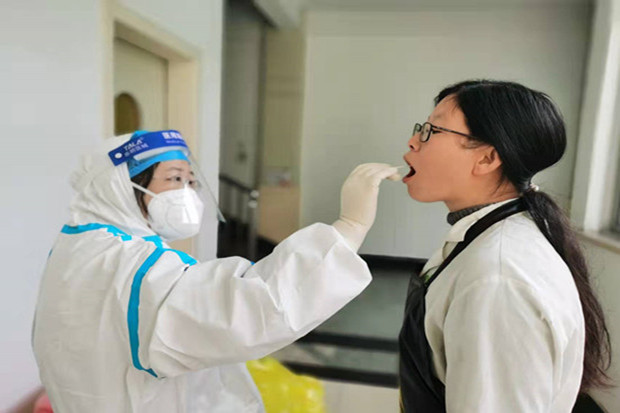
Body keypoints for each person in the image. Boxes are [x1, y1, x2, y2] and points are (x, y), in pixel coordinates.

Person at [32, 129, 399, 412]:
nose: (187, 191)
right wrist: (348, 229)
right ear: (120, 187)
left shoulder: (81, 244)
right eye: (173, 178)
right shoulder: (134, 268)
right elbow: (255, 307)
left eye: (190, 180)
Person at [398, 80, 611, 412]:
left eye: (431, 131)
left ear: (487, 158)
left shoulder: (497, 279)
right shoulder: (486, 239)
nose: (413, 141)